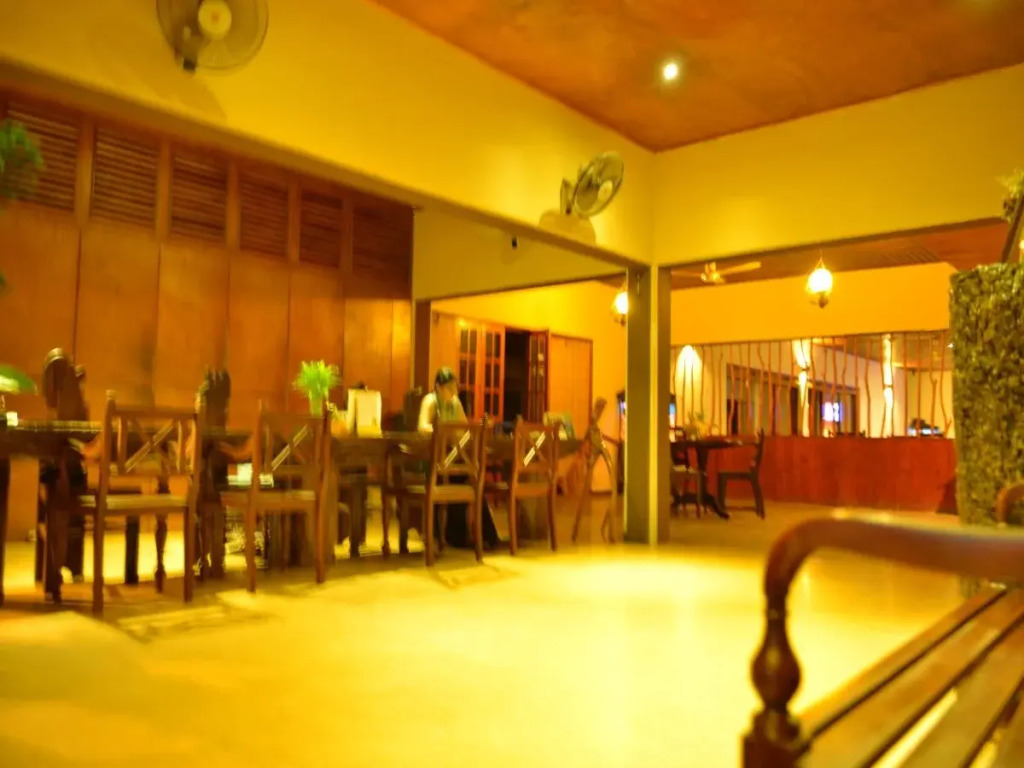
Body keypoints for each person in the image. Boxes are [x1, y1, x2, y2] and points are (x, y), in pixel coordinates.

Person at [417, 367, 500, 550]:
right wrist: (443, 431)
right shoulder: (430, 400)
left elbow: (464, 428)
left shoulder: (455, 403)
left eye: (455, 387)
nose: (454, 391)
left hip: (453, 458)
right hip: (432, 460)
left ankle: (483, 537)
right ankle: (441, 535)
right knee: (444, 479)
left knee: (473, 481)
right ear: (438, 387)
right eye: (449, 387)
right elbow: (422, 427)